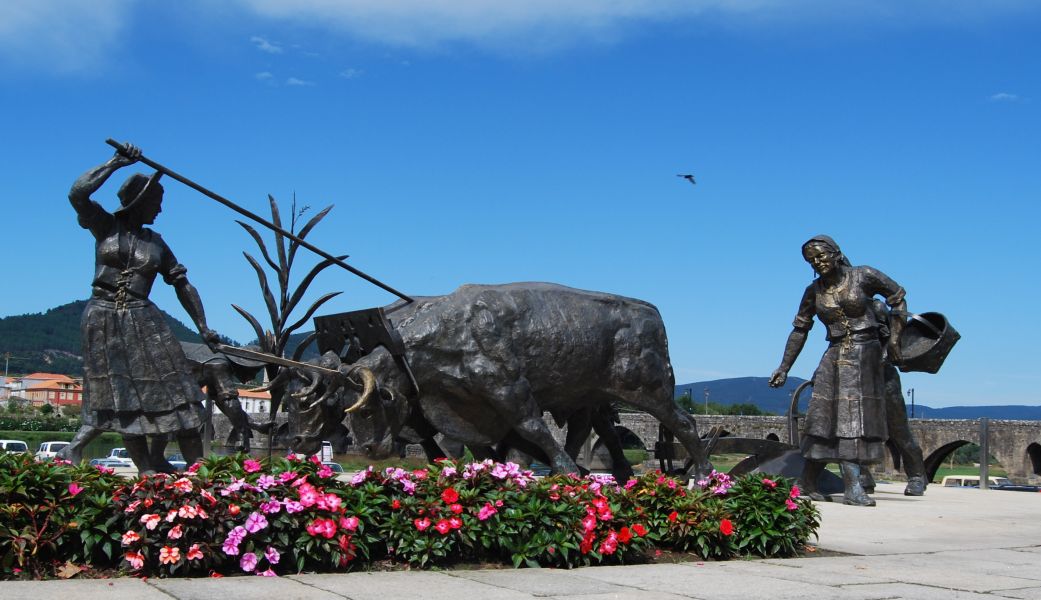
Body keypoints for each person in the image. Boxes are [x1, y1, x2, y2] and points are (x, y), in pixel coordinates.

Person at [67, 143, 219, 474]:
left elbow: (182, 283)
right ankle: (146, 468)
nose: (160, 210)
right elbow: (77, 195)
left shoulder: (157, 243)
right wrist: (115, 163)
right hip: (102, 319)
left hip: (144, 319)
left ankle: (198, 469)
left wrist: (203, 326)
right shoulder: (105, 227)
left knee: (181, 392)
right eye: (157, 203)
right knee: (121, 397)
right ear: (141, 202)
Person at [768, 235, 906, 506]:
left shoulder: (863, 275)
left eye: (821, 256)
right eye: (811, 260)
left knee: (852, 419)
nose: (818, 263)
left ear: (836, 254)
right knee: (821, 420)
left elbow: (898, 299)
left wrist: (893, 341)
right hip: (834, 354)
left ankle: (853, 486)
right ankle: (806, 481)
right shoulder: (813, 291)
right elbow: (800, 329)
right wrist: (784, 367)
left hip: (866, 353)